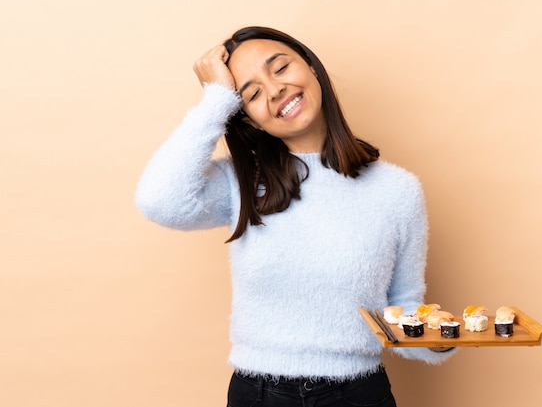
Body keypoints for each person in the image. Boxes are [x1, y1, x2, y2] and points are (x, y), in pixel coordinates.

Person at [135, 26, 455, 407]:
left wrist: (439, 340)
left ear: (312, 68)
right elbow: (159, 201)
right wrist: (215, 100)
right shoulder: (241, 182)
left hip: (359, 394)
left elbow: (401, 304)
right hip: (259, 395)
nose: (274, 90)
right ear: (248, 119)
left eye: (281, 68)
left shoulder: (398, 190)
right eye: (251, 93)